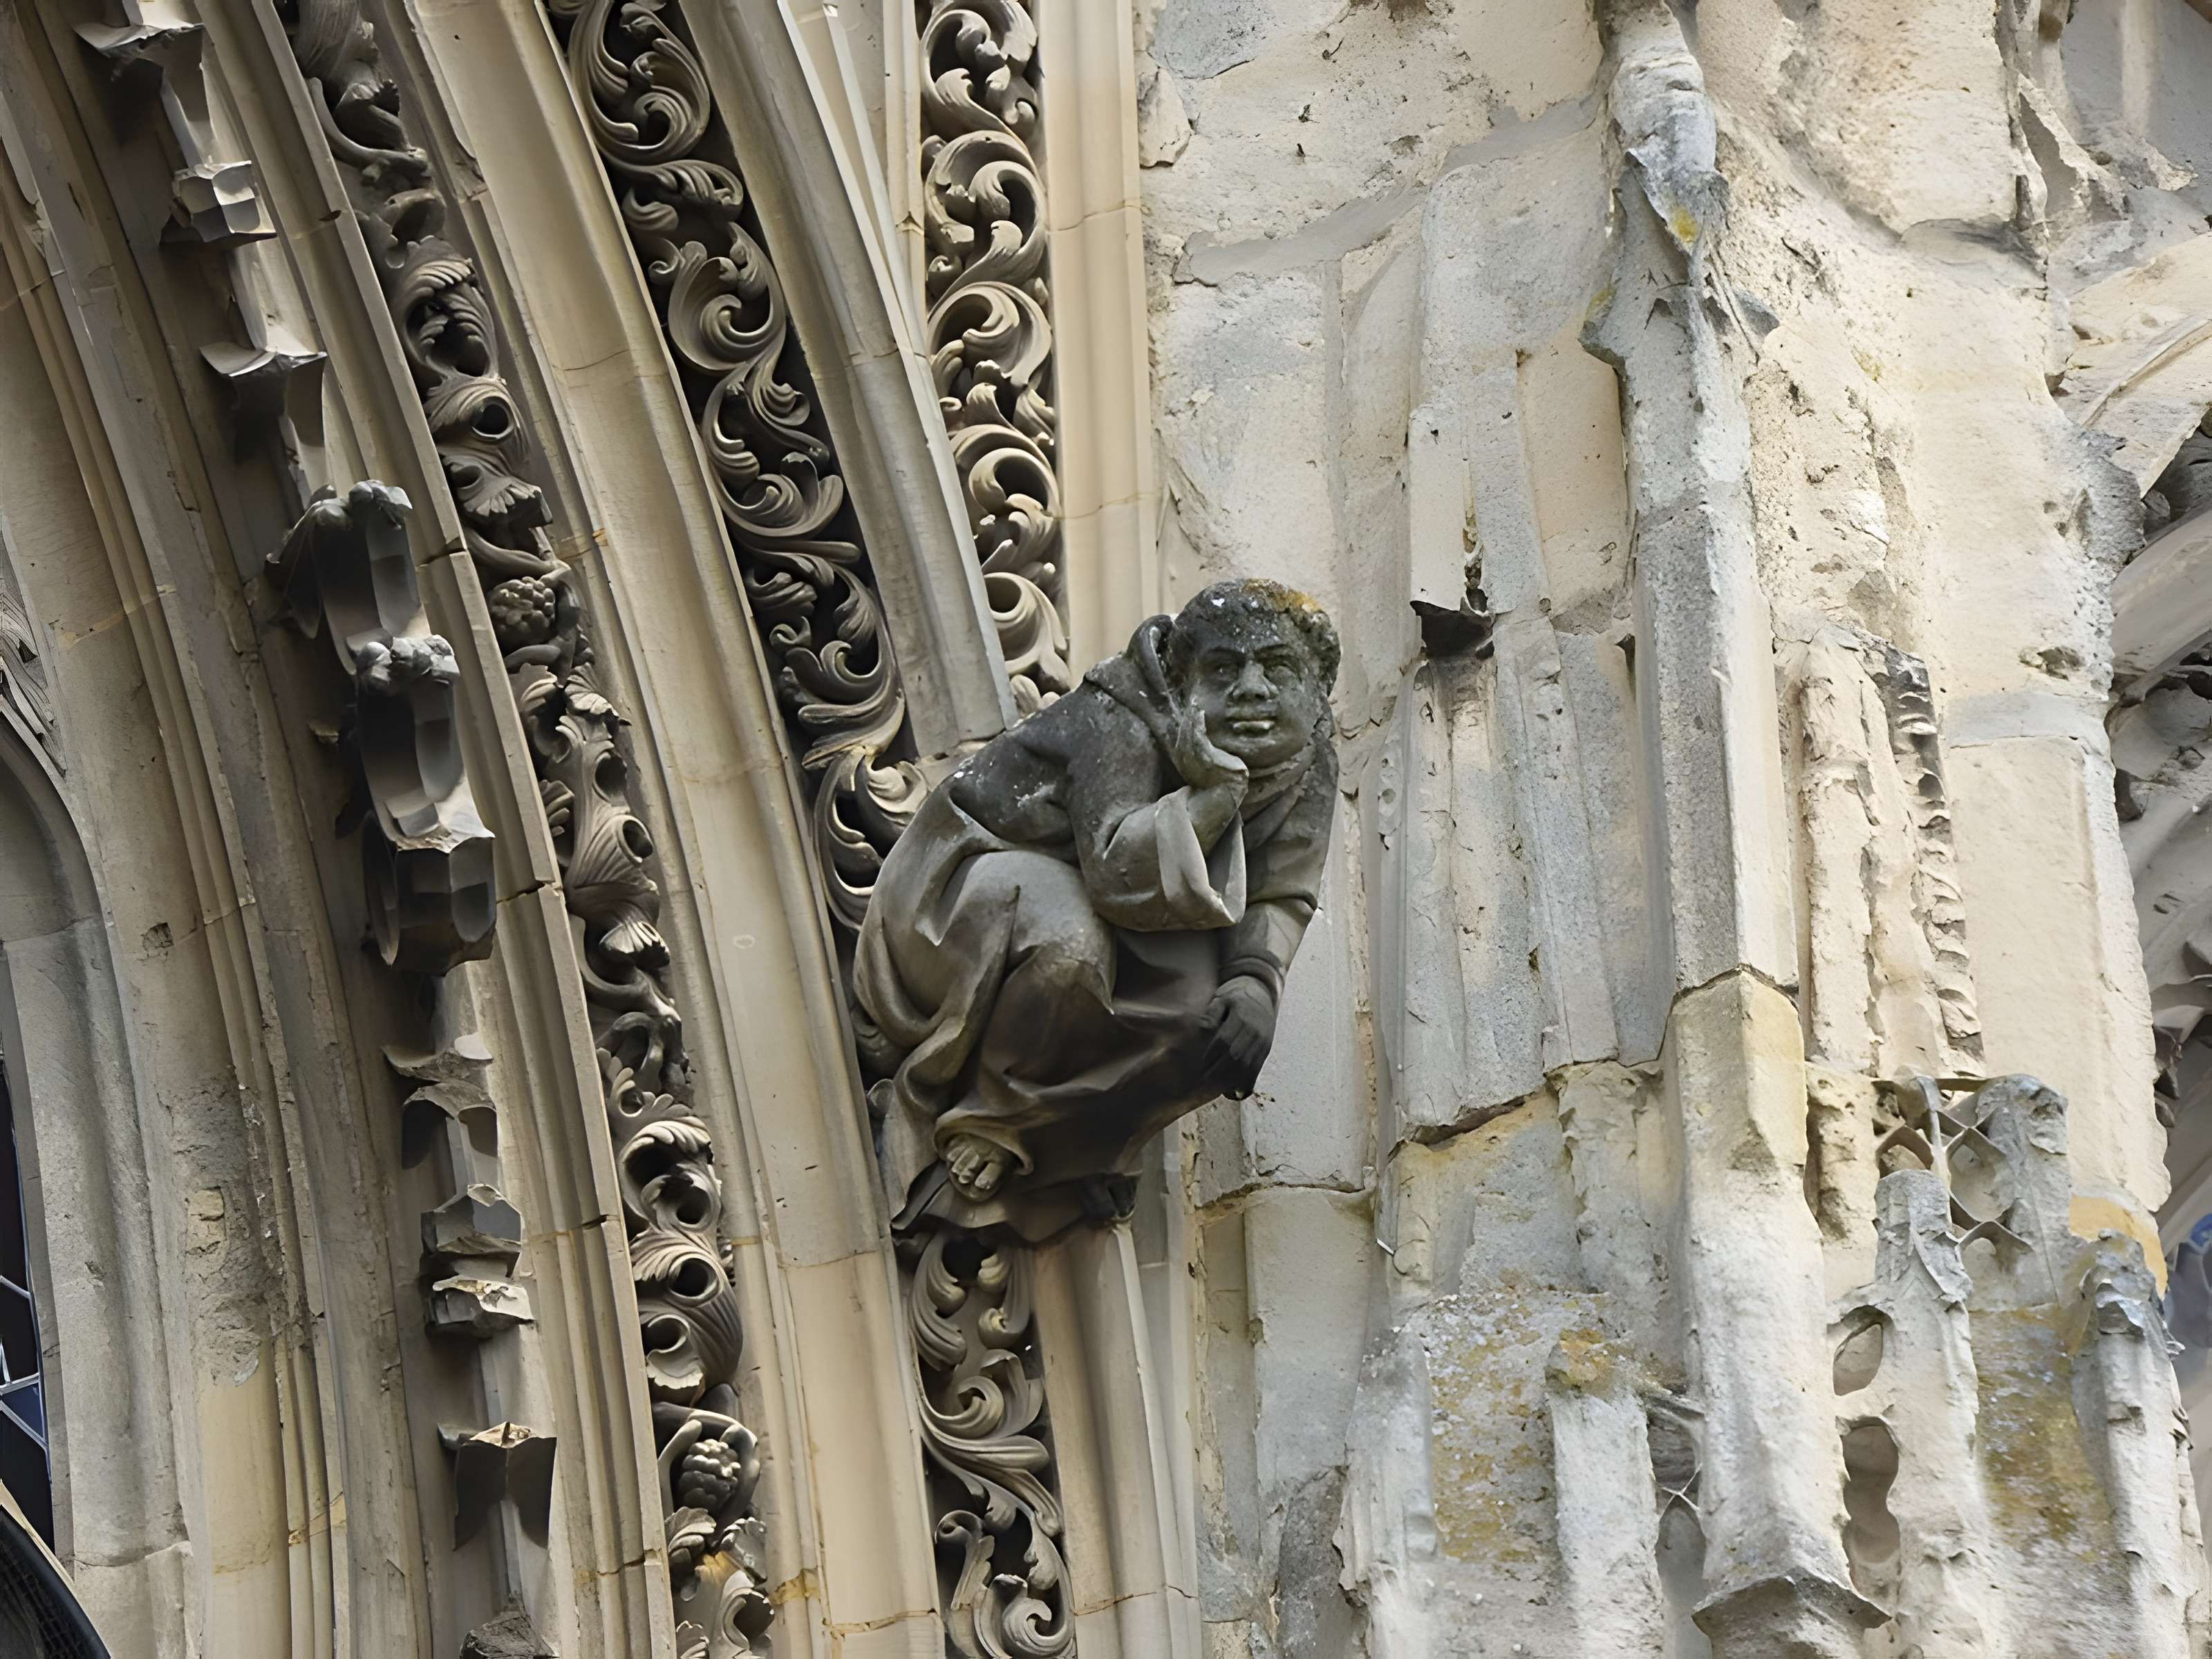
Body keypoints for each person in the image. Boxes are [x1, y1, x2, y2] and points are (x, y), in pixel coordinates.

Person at [855, 579, 1340, 1235]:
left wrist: (1256, 979)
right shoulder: (1122, 718)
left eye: (1278, 670)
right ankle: (992, 1112)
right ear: (1181, 680)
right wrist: (1215, 796)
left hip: (1120, 909)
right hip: (953, 901)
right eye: (1224, 669)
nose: (1252, 690)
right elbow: (1116, 873)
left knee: (1212, 1024)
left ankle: (1079, 1138)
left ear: (1315, 694)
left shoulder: (1307, 758)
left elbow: (1283, 890)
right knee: (1070, 944)